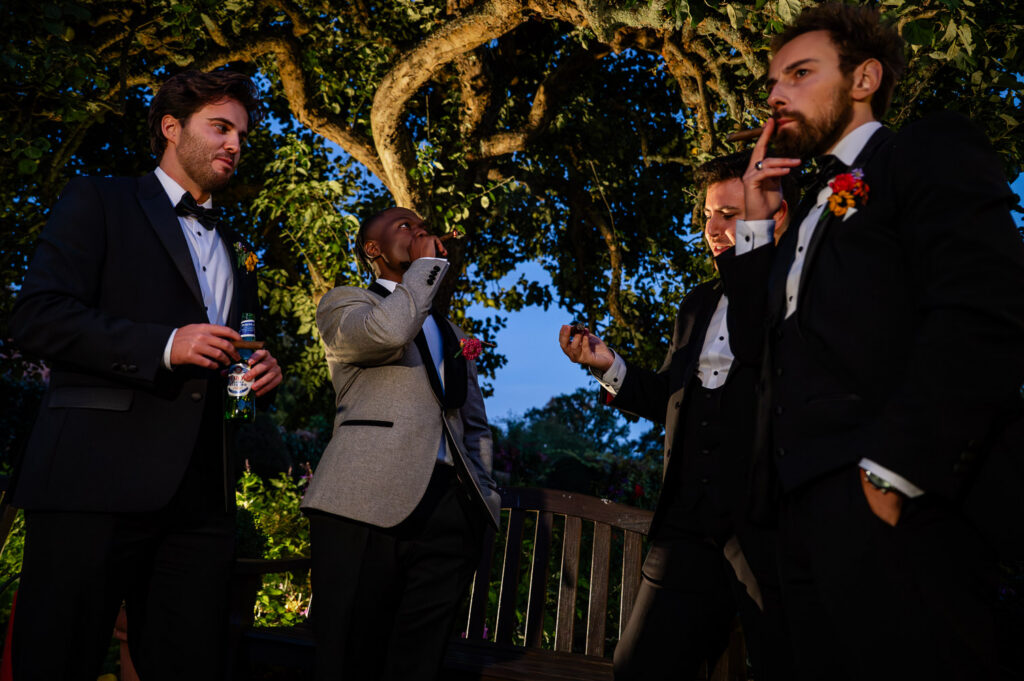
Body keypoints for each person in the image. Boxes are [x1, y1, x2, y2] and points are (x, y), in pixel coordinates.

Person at [722, 3, 1024, 679]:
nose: (775, 95)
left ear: (864, 79)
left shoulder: (923, 150)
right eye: (771, 82)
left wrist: (892, 473)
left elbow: (985, 308)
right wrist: (753, 224)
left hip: (897, 505)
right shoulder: (806, 209)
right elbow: (754, 346)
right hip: (796, 522)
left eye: (800, 73)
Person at [8, 69, 282, 679]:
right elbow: (37, 316)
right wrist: (165, 344)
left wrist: (257, 373)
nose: (235, 144)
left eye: (241, 133)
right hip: (92, 481)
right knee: (55, 662)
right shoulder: (98, 199)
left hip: (202, 500)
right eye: (220, 127)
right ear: (170, 127)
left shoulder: (241, 250)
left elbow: (235, 351)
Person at [558, 152, 796, 680]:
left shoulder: (803, 293)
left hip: (769, 526)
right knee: (639, 666)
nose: (712, 229)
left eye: (730, 215)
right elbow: (671, 395)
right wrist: (609, 365)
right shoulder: (695, 305)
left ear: (774, 215)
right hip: (686, 524)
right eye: (708, 215)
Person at [302, 207, 500, 681]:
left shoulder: (452, 331)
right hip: (362, 504)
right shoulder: (345, 303)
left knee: (419, 662)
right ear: (373, 250)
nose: (420, 232)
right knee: (349, 655)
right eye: (405, 226)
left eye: (423, 226)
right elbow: (387, 333)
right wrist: (426, 269)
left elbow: (473, 421)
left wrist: (484, 495)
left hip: (448, 512)